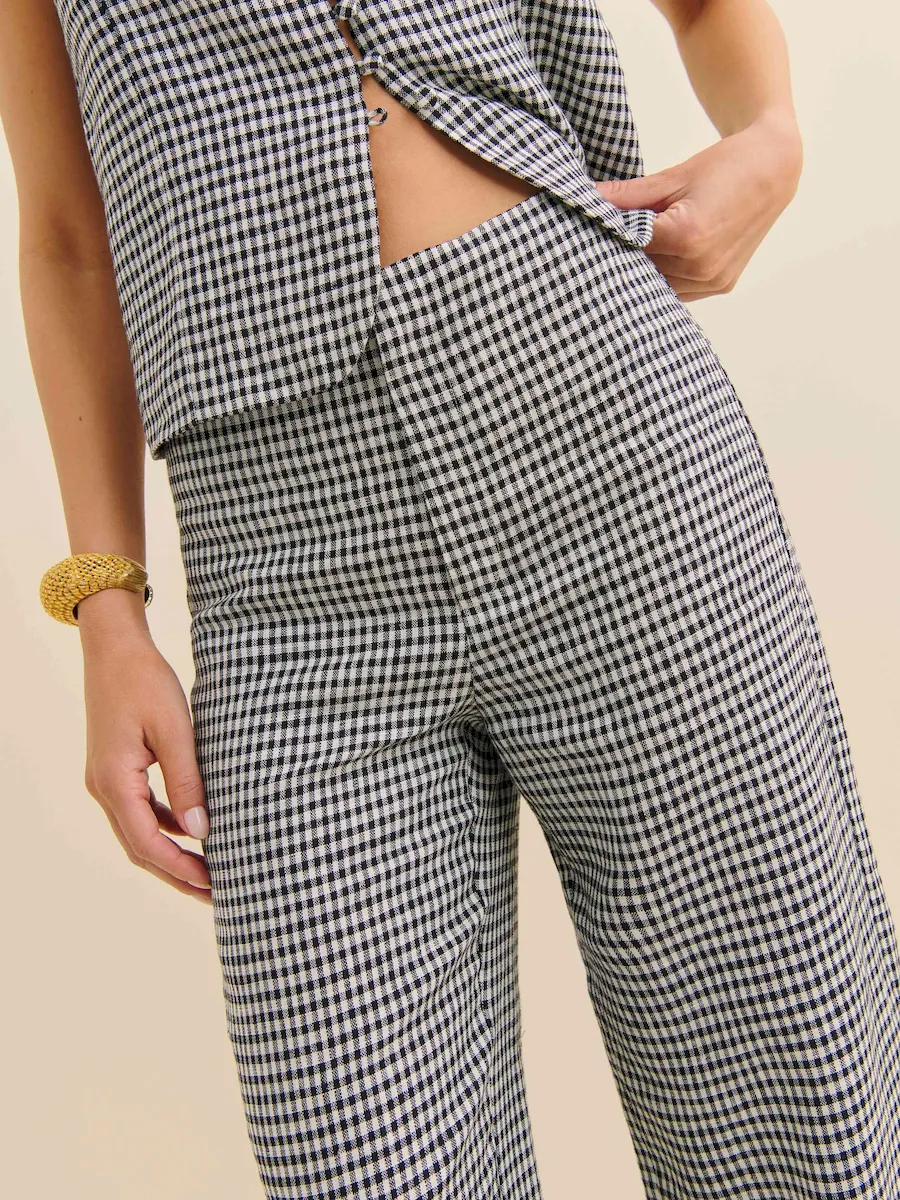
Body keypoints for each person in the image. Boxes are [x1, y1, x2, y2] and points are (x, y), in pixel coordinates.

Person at [3, 0, 900, 1196]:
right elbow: (68, 236)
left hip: (603, 432)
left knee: (791, 1105)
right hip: (283, 567)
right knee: (359, 1152)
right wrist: (107, 612)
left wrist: (772, 134)